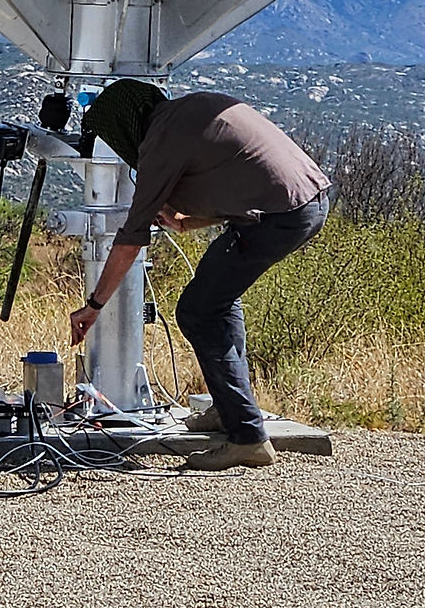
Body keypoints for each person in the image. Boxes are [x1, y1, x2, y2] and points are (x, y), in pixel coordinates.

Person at [67, 80, 329, 471]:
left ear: (124, 125)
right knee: (217, 301)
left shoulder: (160, 140)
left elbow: (130, 238)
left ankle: (247, 438)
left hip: (280, 216)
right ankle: (230, 410)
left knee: (198, 312)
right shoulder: (189, 110)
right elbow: (237, 175)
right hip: (307, 199)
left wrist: (94, 305)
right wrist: (189, 222)